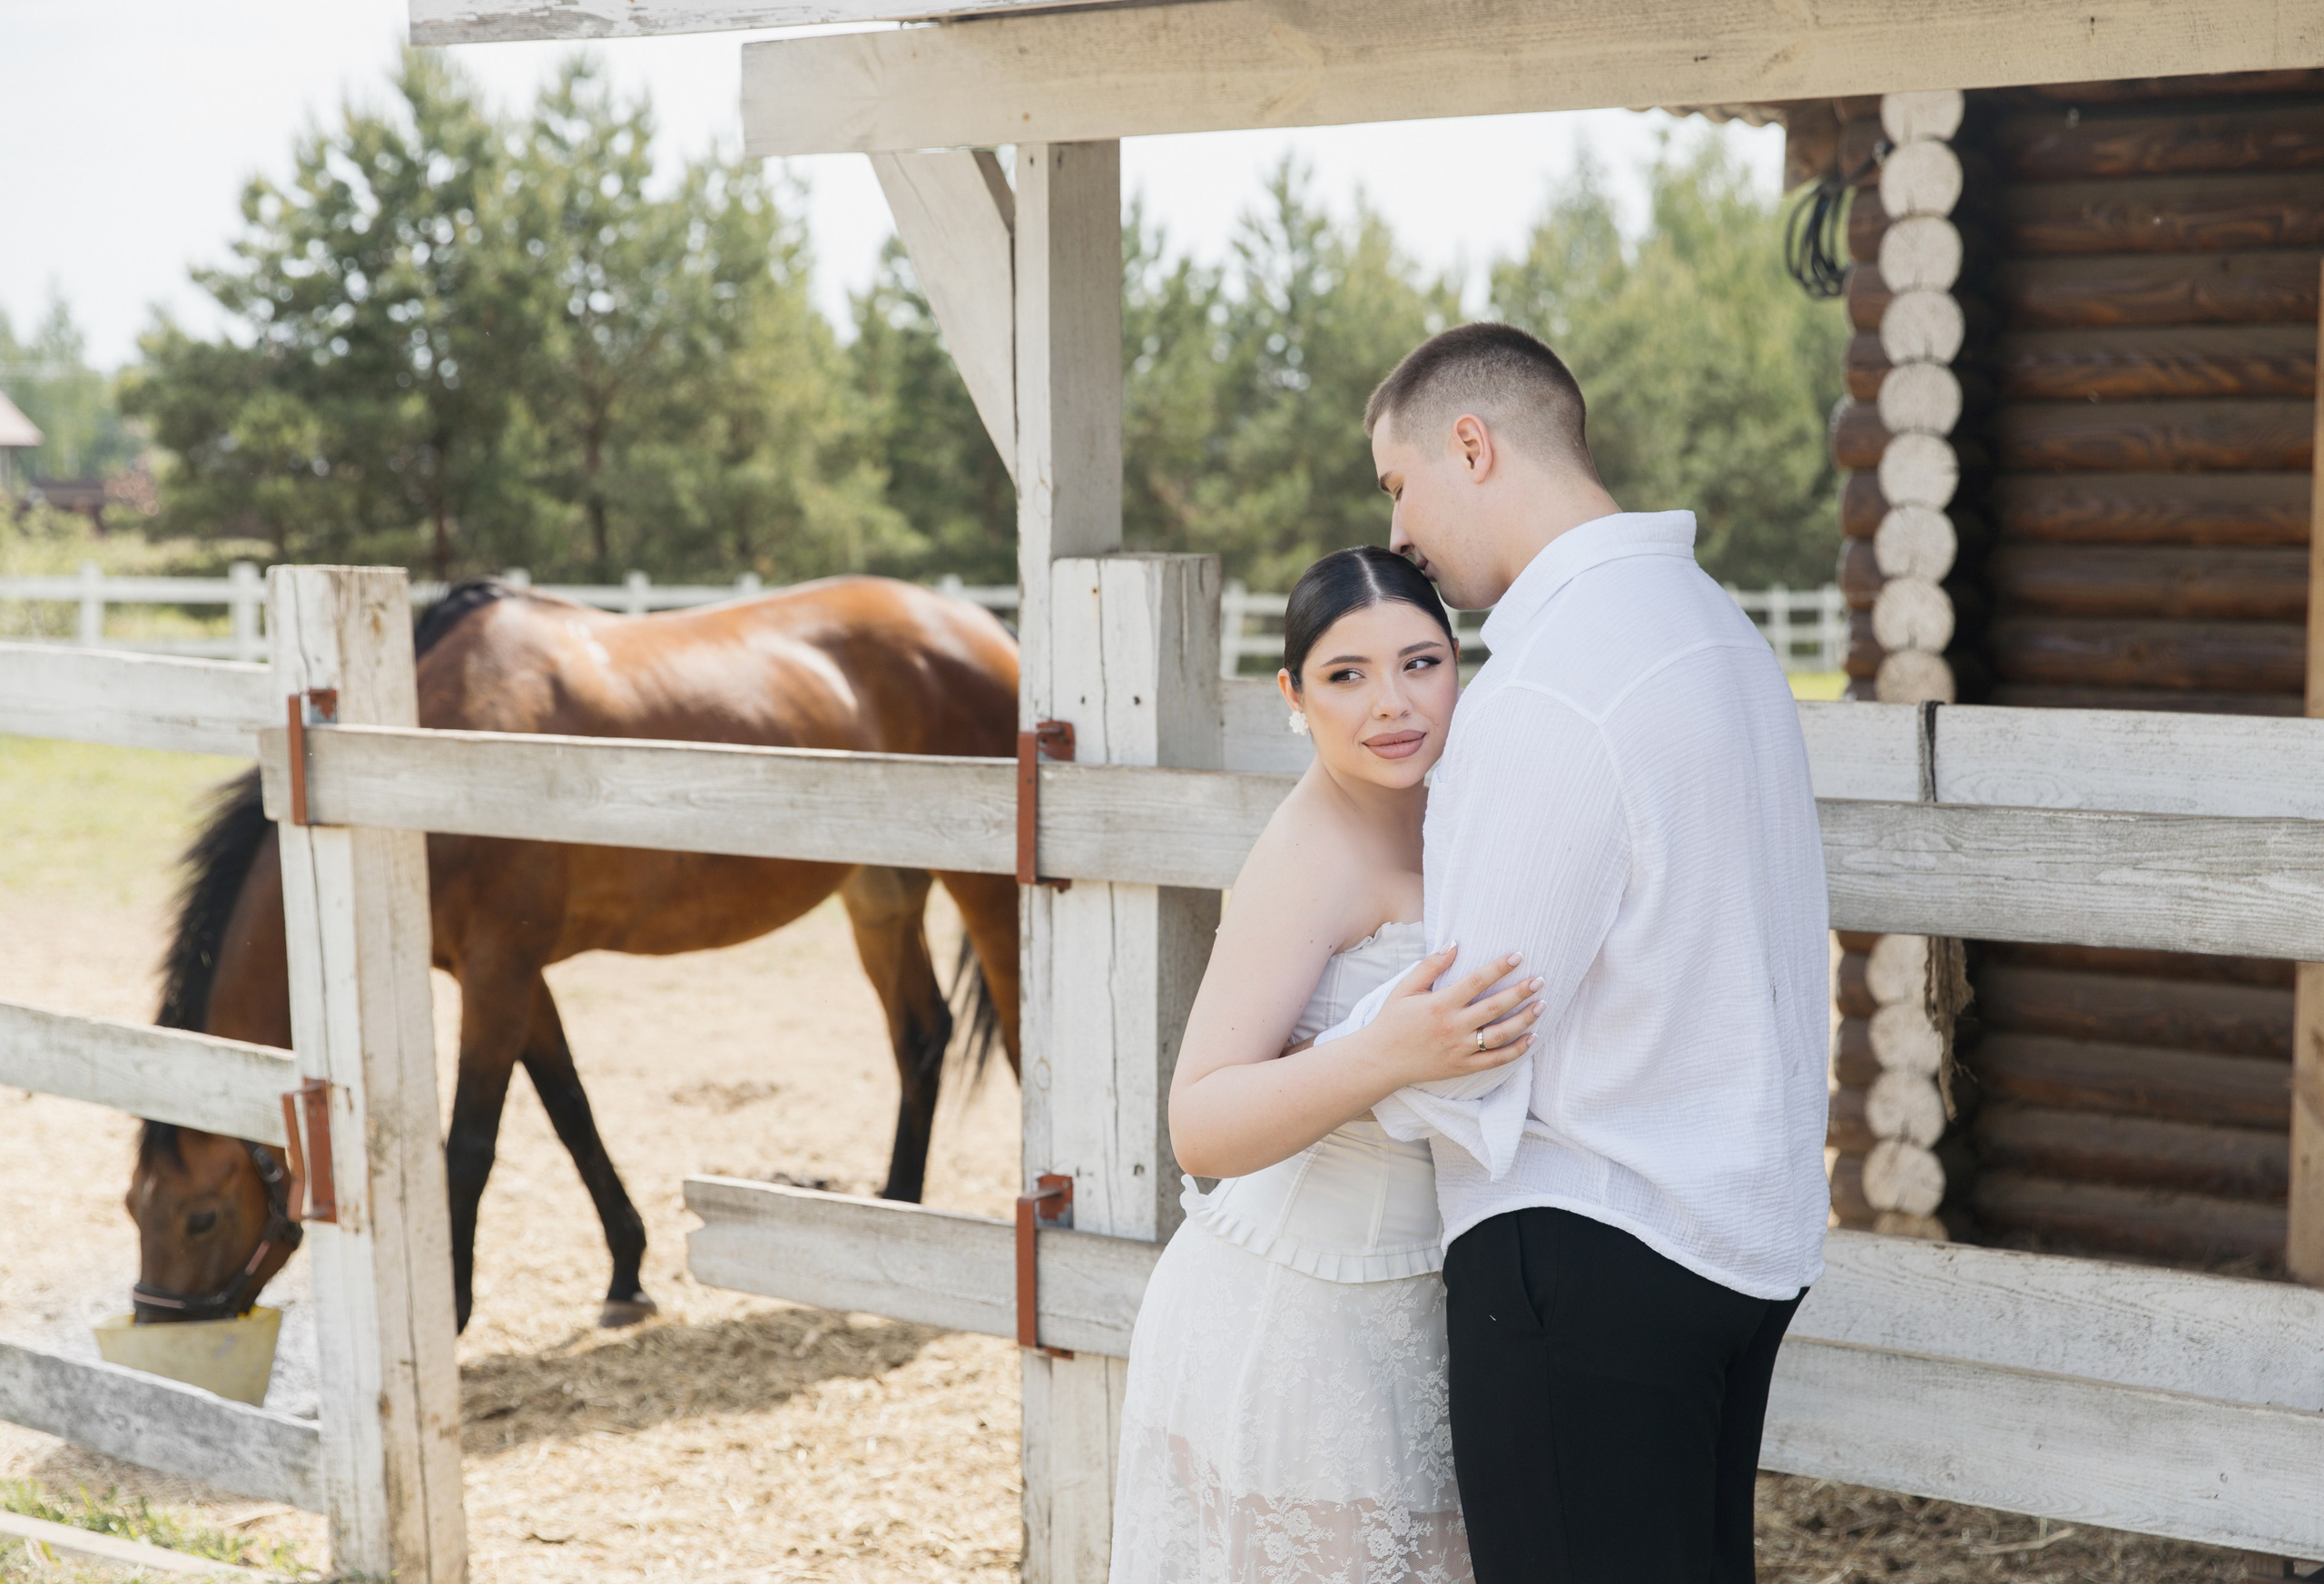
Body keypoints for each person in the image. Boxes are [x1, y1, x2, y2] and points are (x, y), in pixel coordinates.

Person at [1335, 321, 1833, 1584]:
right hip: (1738, 1234)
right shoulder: (1717, 628)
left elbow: (1465, 1049)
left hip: (1587, 1247)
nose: (1399, 534)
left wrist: (1328, 1058)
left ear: (1472, 442)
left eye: (1400, 484)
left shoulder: (1554, 681)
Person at [1108, 544, 1541, 1584]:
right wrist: (1382, 1052)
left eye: (1420, 662)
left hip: (1430, 1304)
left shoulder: (1462, 810)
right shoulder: (1310, 856)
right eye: (1345, 675)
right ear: (1292, 695)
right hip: (1297, 1316)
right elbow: (1199, 1120)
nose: (1391, 704)